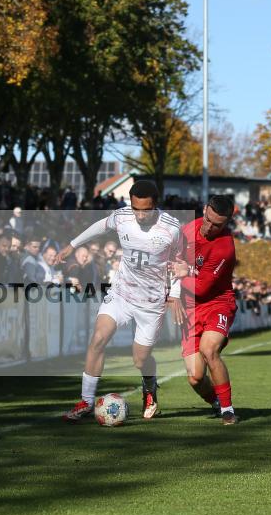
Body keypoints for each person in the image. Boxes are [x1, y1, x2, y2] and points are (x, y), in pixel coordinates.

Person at [57, 180, 183, 422]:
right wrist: (71, 245)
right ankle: (85, 401)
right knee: (98, 339)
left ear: (155, 205)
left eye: (145, 210)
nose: (139, 215)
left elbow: (178, 262)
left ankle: (150, 390)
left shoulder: (171, 228)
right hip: (122, 293)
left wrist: (175, 294)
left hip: (151, 301)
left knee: (140, 359)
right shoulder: (123, 216)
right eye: (135, 208)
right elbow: (100, 226)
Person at [169, 194, 240, 425]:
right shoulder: (190, 228)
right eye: (207, 219)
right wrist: (174, 296)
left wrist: (186, 273)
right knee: (195, 378)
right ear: (204, 209)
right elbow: (170, 264)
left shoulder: (224, 248)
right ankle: (217, 403)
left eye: (217, 224)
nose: (209, 227)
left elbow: (202, 288)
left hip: (218, 303)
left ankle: (228, 409)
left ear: (227, 223)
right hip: (191, 309)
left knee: (210, 351)